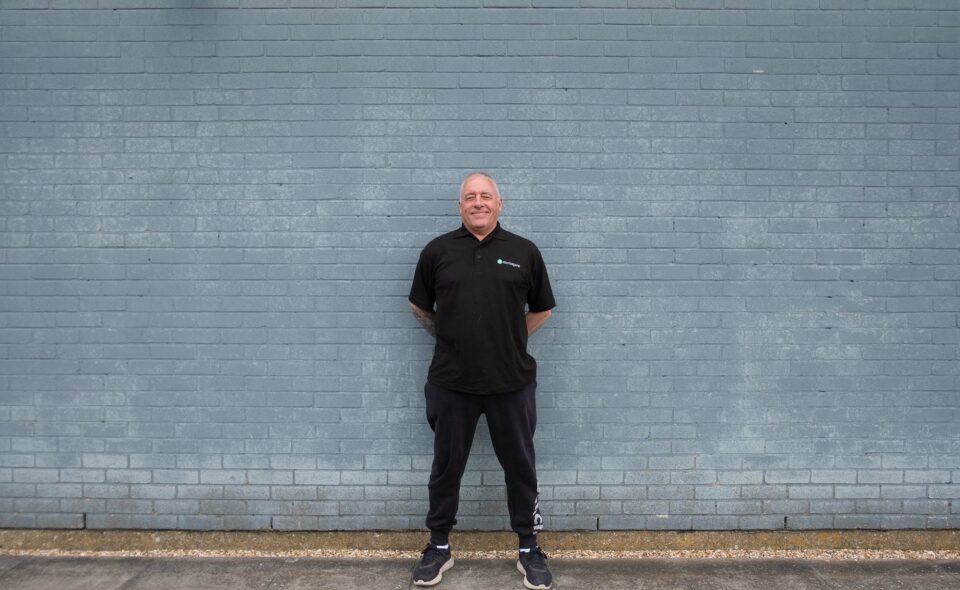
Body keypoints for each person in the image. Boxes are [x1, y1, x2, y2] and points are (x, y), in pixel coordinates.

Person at [407, 172, 556, 589]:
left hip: (512, 383)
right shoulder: (438, 251)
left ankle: (529, 548)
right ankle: (438, 547)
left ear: (499, 203)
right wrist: (455, 338)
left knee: (520, 468)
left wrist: (505, 339)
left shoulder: (523, 251)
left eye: (485, 196)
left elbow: (542, 308)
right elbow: (419, 307)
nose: (478, 202)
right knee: (446, 468)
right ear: (460, 206)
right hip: (451, 383)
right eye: (470, 197)